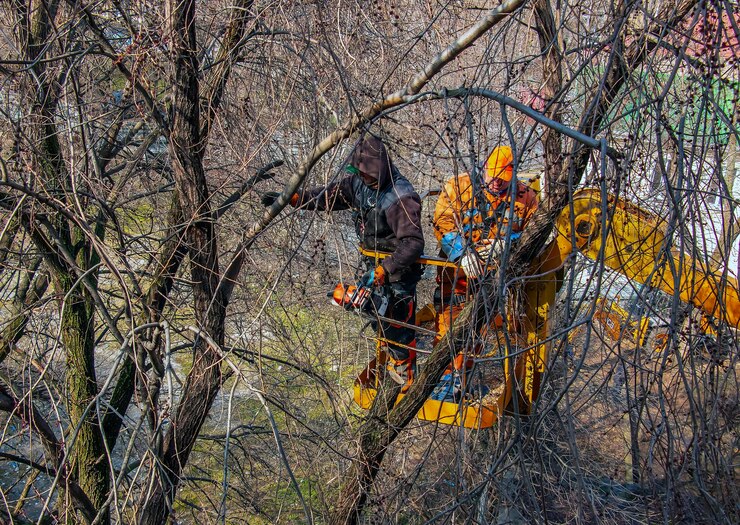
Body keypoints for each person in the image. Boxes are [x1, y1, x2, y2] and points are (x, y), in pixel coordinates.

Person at [261, 135, 425, 390]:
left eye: (365, 174)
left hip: (399, 267)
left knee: (397, 320)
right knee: (375, 312)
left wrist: (385, 270)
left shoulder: (400, 196)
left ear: (377, 171)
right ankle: (393, 355)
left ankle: (405, 368)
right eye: (359, 173)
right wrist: (293, 199)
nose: (362, 178)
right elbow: (329, 196)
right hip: (374, 265)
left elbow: (413, 243)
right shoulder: (358, 184)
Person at [431, 145, 538, 401]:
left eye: (503, 178)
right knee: (449, 323)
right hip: (456, 273)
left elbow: (536, 233)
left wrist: (509, 243)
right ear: (485, 167)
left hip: (492, 278)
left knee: (477, 326)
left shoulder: (525, 197)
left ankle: (461, 376)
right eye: (493, 175)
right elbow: (441, 222)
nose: (497, 181)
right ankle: (443, 379)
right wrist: (462, 251)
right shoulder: (459, 186)